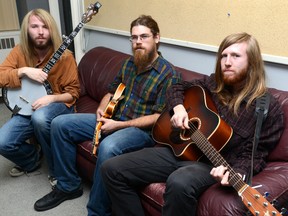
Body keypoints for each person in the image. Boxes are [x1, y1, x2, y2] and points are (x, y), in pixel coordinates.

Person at [101, 32, 285, 216]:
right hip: (181, 150)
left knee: (180, 182)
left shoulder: (268, 109)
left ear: (252, 62)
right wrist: (179, 107)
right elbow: (176, 87)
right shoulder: (213, 83)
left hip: (212, 164)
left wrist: (236, 172)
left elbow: (256, 154)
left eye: (236, 56)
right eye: (223, 56)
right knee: (111, 169)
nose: (227, 62)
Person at [33, 15, 181, 214]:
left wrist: (117, 126)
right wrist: (101, 109)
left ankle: (97, 211)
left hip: (140, 131)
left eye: (144, 37)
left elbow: (157, 118)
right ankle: (68, 186)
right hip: (113, 118)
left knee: (109, 146)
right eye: (134, 37)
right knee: (60, 124)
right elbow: (111, 91)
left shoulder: (169, 74)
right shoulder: (129, 64)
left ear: (156, 38)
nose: (138, 42)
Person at [0, 9, 80, 185]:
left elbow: (73, 93)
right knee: (2, 142)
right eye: (35, 26)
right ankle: (33, 158)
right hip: (27, 108)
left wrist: (51, 99)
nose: (41, 31)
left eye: (45, 26)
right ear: (27, 30)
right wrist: (23, 71)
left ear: (51, 30)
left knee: (41, 117)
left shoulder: (65, 57)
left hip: (57, 107)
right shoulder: (19, 51)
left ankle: (55, 170)